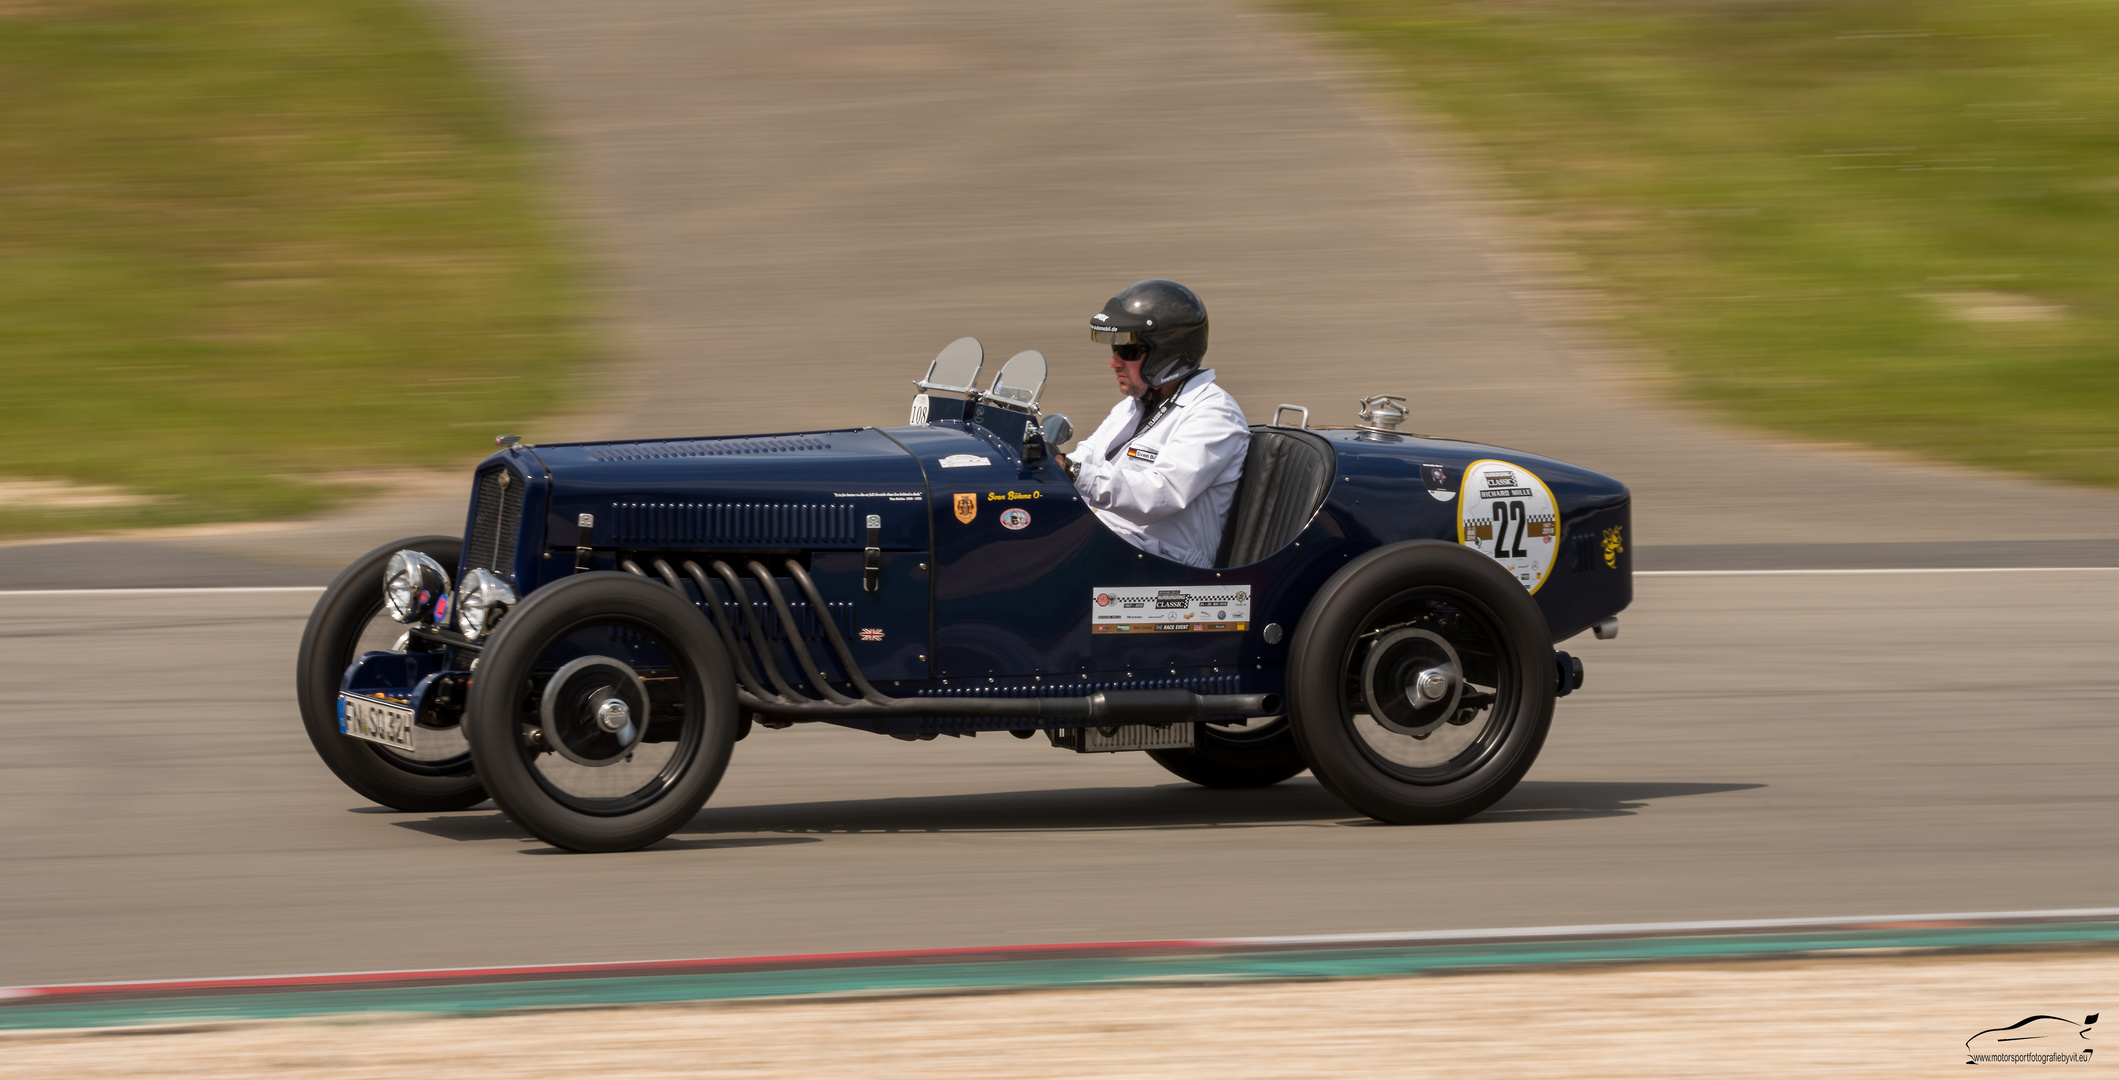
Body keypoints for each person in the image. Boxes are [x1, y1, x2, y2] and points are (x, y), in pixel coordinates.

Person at [1059, 279, 1248, 568]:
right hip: (1111, 540)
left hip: (1166, 563)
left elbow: (1161, 494)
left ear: (1167, 353)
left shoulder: (1213, 413)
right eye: (1114, 349)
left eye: (1129, 352)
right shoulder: (1134, 406)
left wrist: (1072, 472)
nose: (1114, 362)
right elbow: (1083, 459)